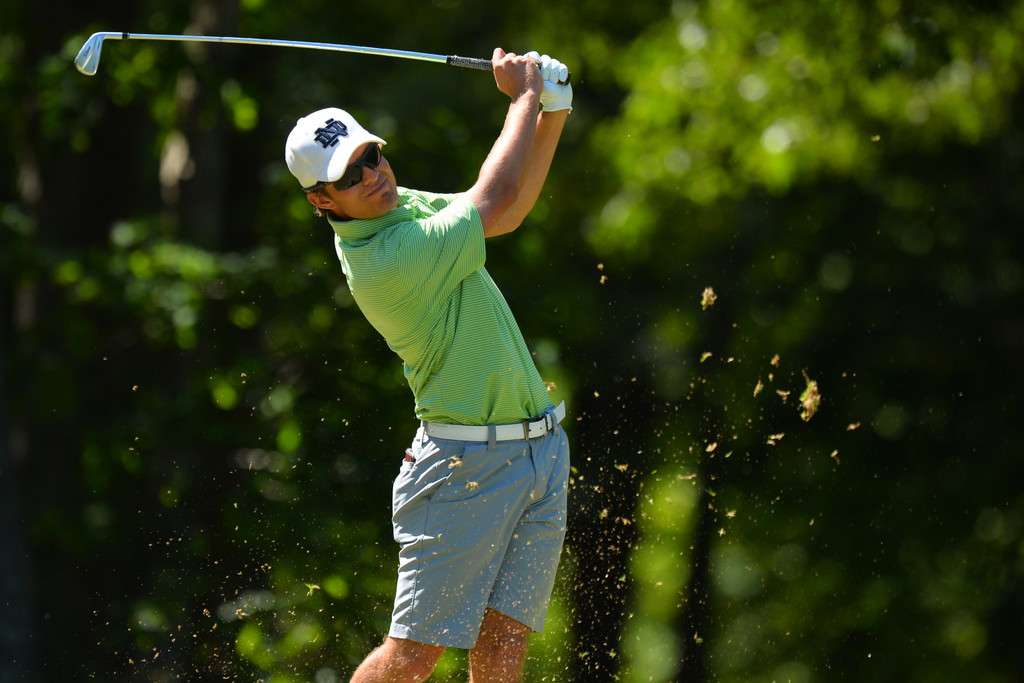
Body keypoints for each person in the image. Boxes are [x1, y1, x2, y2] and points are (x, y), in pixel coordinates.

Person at [284, 48, 573, 682]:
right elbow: (491, 201)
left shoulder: (399, 207)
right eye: (350, 174)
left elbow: (506, 211)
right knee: (415, 655)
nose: (373, 174)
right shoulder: (386, 261)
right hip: (463, 468)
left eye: (372, 155)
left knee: (503, 650)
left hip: (539, 451)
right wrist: (523, 99)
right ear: (322, 202)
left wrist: (552, 108)